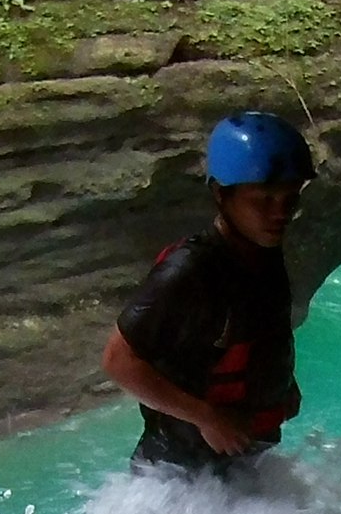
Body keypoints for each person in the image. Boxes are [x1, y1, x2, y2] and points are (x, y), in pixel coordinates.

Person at [101, 111, 314, 472]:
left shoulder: (263, 252)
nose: (281, 214)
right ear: (221, 193)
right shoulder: (189, 271)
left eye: (289, 199)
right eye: (263, 200)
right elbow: (118, 362)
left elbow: (261, 332)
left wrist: (280, 385)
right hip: (176, 473)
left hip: (235, 461)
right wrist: (206, 417)